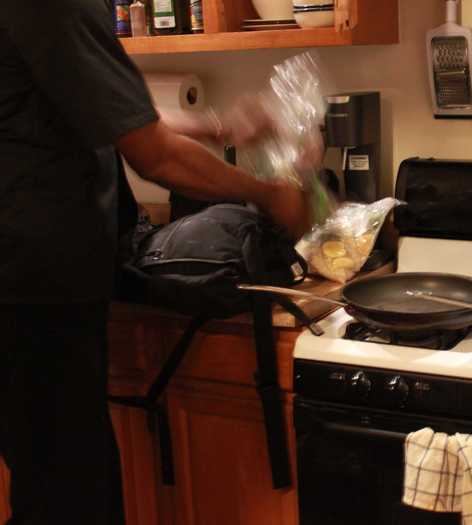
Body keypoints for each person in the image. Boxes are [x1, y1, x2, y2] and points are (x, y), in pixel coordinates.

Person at [0, 1, 319, 524]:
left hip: (30, 282)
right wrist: (270, 196)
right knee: (70, 499)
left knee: (55, 486)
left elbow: (104, 108)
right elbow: (156, 155)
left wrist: (218, 127)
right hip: (31, 290)